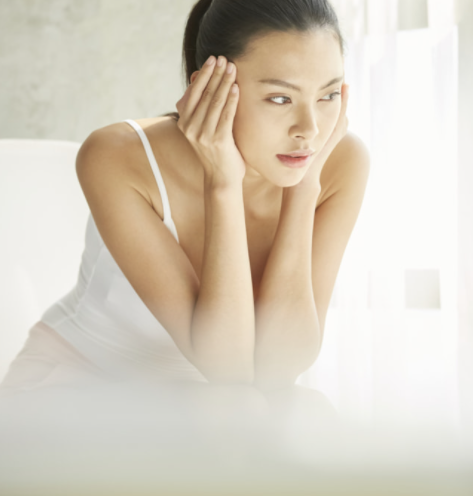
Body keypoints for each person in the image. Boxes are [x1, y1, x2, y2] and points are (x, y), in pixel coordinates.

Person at [0, 0, 370, 400]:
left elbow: (280, 369)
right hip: (80, 384)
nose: (310, 130)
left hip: (213, 405)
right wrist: (222, 183)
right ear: (208, 90)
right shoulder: (117, 157)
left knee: (295, 413)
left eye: (328, 95)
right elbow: (228, 369)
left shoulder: (339, 162)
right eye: (280, 98)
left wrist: (304, 184)